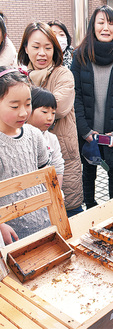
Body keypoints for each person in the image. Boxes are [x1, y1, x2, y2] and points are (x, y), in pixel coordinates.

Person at [71, 5, 113, 209]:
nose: (106, 27)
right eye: (101, 22)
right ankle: (90, 208)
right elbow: (76, 97)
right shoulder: (80, 56)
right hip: (88, 132)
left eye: (110, 23)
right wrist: (84, 130)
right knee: (88, 172)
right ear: (93, 26)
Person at [17, 22, 83, 218]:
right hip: (27, 160)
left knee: (69, 214)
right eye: (36, 47)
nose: (42, 53)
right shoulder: (18, 78)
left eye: (48, 47)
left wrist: (21, 110)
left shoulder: (63, 74)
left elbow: (59, 107)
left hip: (63, 156)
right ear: (26, 48)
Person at [0, 67, 50, 243]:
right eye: (15, 106)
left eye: (28, 104)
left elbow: (46, 174)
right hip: (11, 233)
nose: (23, 112)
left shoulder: (34, 134)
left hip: (44, 221)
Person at [27, 87, 64, 188]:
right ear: (29, 109)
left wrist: (57, 193)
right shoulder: (21, 137)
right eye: (44, 112)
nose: (50, 118)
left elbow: (58, 168)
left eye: (53, 113)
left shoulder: (52, 139)